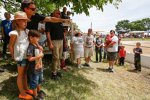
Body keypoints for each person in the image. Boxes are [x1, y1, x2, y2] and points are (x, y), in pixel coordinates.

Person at [8, 11, 32, 99]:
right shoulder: (14, 33)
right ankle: (22, 93)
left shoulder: (27, 31)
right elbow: (10, 46)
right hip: (20, 57)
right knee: (20, 75)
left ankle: (25, 89)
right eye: (23, 21)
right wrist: (13, 56)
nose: (25, 23)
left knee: (25, 73)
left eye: (26, 21)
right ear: (17, 22)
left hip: (26, 56)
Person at [46, 10, 64, 80]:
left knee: (59, 57)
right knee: (55, 57)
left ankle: (58, 70)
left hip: (61, 41)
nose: (59, 14)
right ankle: (54, 73)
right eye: (58, 13)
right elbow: (47, 33)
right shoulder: (49, 21)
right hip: (54, 41)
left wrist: (64, 42)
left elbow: (62, 33)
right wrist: (50, 43)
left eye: (60, 13)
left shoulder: (60, 22)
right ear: (53, 14)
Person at [27, 30, 45, 99]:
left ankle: (39, 91)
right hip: (33, 69)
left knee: (39, 80)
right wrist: (39, 56)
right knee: (34, 82)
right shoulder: (30, 47)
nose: (38, 39)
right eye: (37, 38)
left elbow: (40, 52)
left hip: (39, 67)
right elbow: (30, 59)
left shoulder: (36, 45)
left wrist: (40, 49)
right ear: (31, 38)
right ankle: (35, 96)